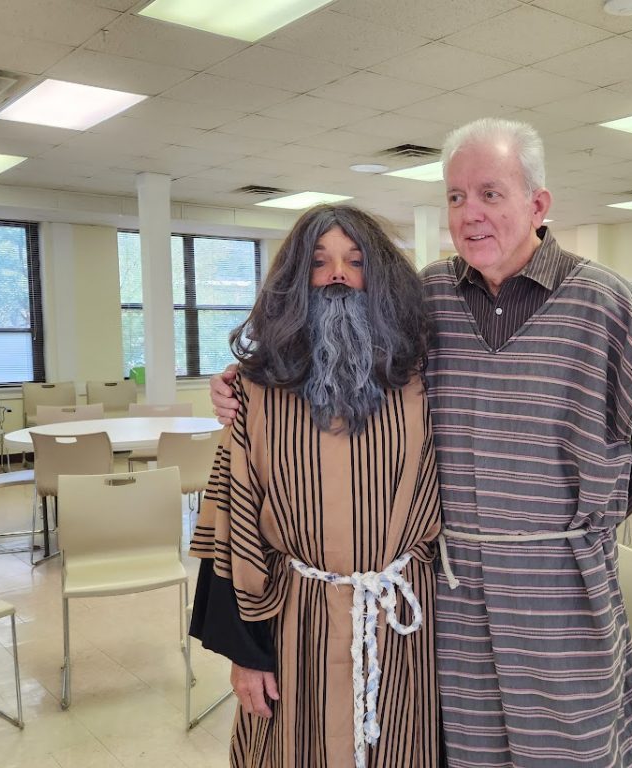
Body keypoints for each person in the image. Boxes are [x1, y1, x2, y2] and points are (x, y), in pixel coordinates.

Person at [212, 118, 632, 767]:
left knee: (571, 747)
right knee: (469, 749)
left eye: (491, 193)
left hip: (559, 586)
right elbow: (333, 346)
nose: (470, 214)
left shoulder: (606, 302)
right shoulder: (428, 297)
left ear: (538, 204)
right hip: (453, 591)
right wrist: (243, 380)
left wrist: (576, 524)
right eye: (457, 197)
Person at [190, 204, 442, 768]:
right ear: (295, 281)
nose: (338, 276)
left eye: (356, 262)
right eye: (320, 263)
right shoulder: (257, 390)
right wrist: (245, 655)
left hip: (402, 627)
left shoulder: (422, 378)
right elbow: (231, 523)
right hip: (295, 626)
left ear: (380, 278)